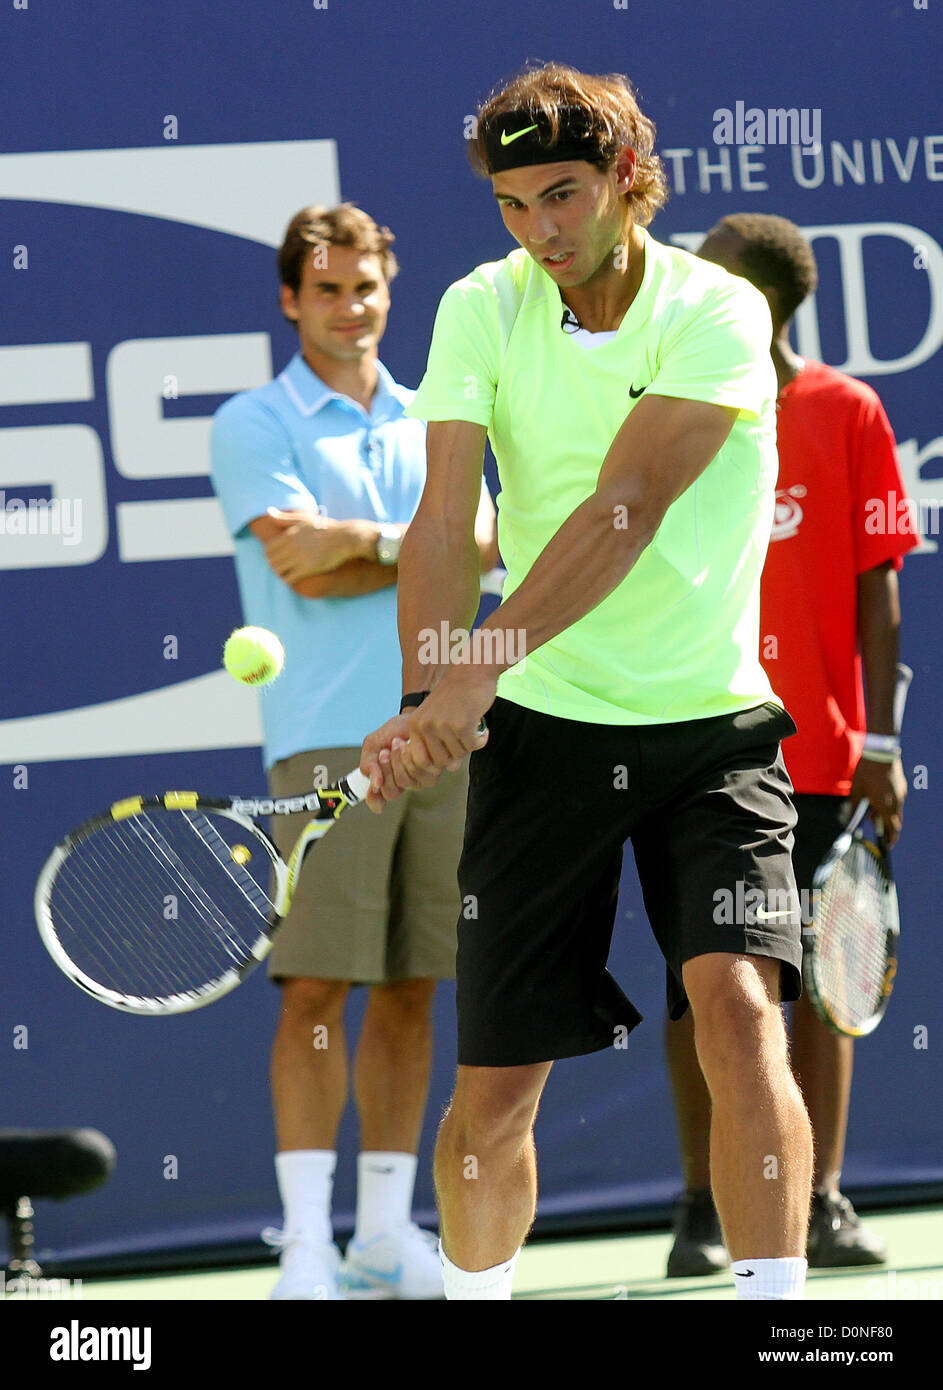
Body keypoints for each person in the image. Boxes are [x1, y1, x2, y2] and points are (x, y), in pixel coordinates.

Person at [360, 61, 816, 1302]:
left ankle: (782, 1319)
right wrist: (424, 696)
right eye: (511, 204)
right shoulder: (478, 307)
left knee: (735, 1010)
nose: (539, 230)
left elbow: (622, 510)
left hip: (711, 733)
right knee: (495, 1093)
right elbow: (445, 516)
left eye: (561, 194)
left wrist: (472, 672)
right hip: (544, 739)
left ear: (627, 177)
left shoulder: (716, 312)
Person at [210, 202, 498, 1301]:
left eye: (366, 287)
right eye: (326, 290)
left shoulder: (439, 414)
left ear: (389, 291)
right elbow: (303, 570)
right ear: (292, 300)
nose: (349, 308)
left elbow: (488, 547)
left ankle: (383, 1232)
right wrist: (422, 541)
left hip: (442, 729)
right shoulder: (252, 423)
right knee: (318, 989)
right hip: (325, 743)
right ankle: (304, 1245)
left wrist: (376, 541)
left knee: (419, 986)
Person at [664, 213, 919, 1277]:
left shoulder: (845, 410)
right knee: (705, 985)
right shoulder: (672, 412)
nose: (683, 285)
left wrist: (880, 735)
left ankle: (817, 1199)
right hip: (692, 742)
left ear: (755, 301)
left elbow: (878, 587)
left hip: (816, 751)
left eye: (707, 276)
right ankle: (700, 1209)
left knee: (822, 981)